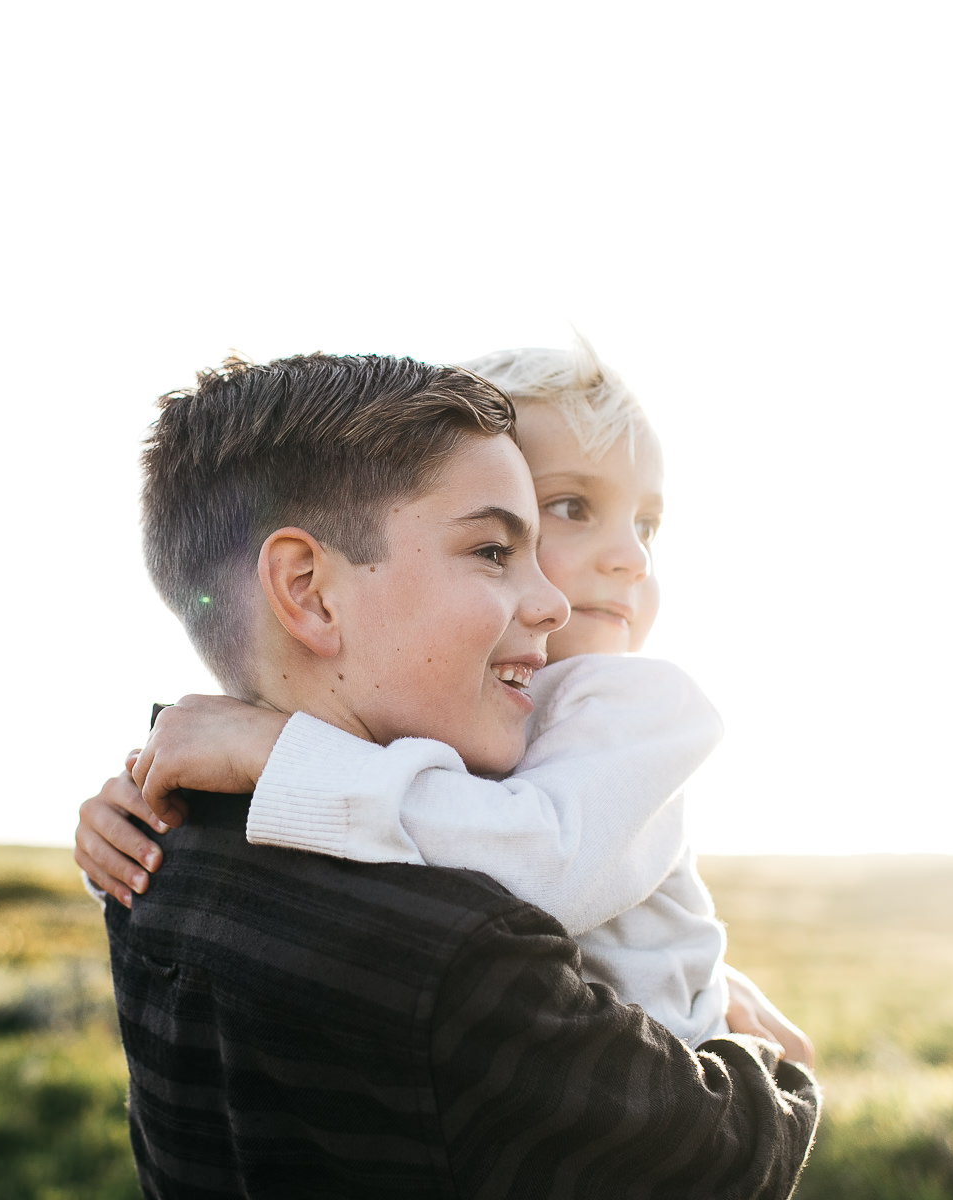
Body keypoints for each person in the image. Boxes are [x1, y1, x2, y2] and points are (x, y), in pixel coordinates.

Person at [98, 350, 818, 1197]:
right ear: (310, 591)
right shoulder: (456, 964)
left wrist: (253, 759)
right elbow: (716, 1154)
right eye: (501, 543)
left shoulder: (177, 845)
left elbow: (548, 864)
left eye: (649, 527)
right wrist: (776, 1078)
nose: (627, 558)